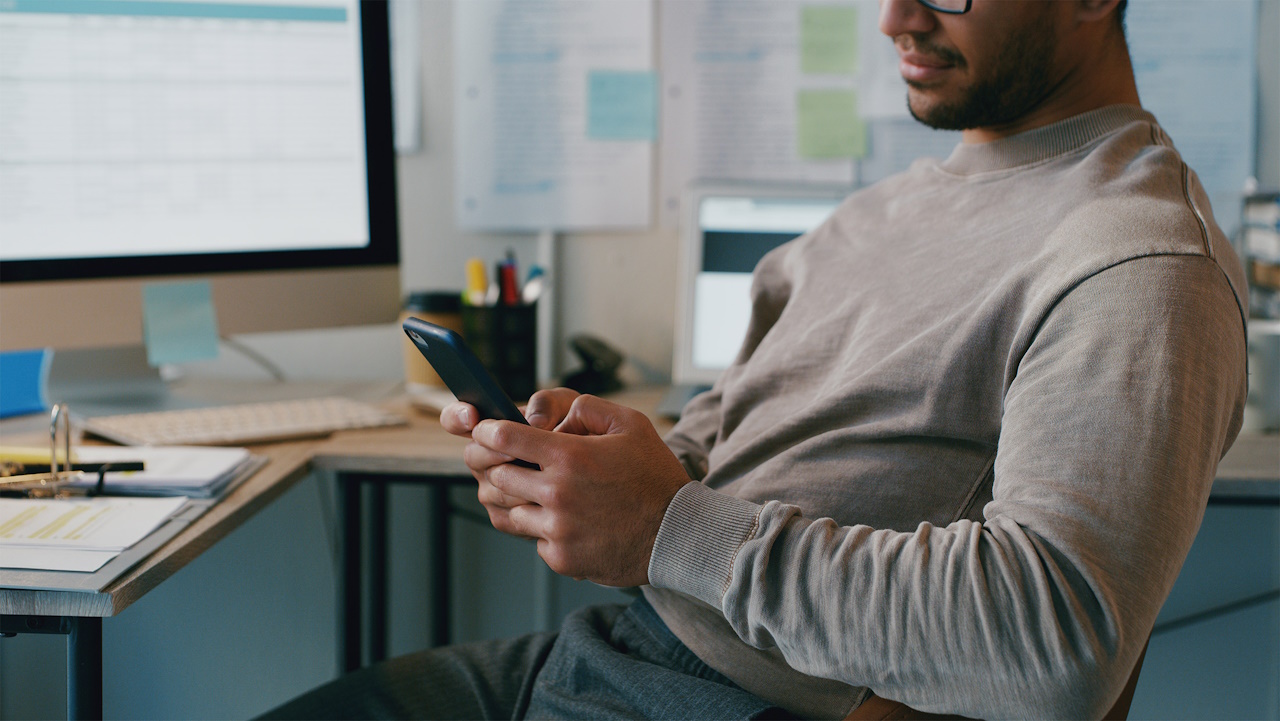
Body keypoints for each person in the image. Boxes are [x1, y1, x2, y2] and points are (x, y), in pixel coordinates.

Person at [265, 0, 1247, 718]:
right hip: (610, 649)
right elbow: (720, 442)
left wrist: (665, 526)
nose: (895, 19)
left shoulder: (1135, 261)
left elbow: (1053, 642)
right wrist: (597, 470)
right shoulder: (881, 211)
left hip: (717, 696)